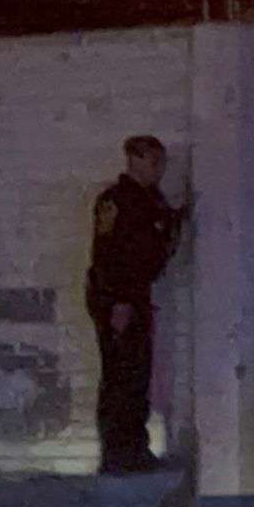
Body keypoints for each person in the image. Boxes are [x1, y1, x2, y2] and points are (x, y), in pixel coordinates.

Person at [85, 135, 182, 474]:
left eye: (161, 162)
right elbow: (108, 254)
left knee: (137, 373)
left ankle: (134, 448)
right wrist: (119, 302)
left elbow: (156, 247)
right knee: (121, 375)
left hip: (137, 295)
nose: (159, 169)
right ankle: (118, 453)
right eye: (152, 161)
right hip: (118, 297)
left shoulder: (151, 200)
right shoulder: (116, 201)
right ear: (134, 160)